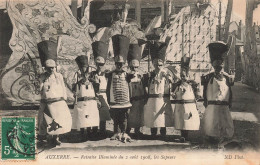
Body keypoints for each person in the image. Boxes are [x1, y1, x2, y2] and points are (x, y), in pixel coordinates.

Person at [37, 40, 72, 146]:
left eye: (53, 67)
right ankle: (48, 138)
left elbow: (63, 87)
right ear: (45, 68)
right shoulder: (43, 77)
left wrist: (64, 99)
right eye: (49, 68)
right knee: (48, 121)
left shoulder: (59, 76)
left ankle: (56, 138)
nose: (51, 70)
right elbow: (40, 90)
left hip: (58, 102)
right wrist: (40, 81)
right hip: (47, 102)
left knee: (58, 121)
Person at [201, 41, 234, 146]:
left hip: (223, 104)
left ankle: (224, 137)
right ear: (213, 66)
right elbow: (205, 90)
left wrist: (230, 102)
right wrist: (205, 102)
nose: (218, 69)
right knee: (212, 122)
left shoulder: (227, 78)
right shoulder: (208, 77)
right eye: (216, 67)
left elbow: (230, 91)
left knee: (224, 122)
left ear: (223, 66)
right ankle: (212, 137)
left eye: (220, 67)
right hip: (212, 104)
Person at [143, 41, 174, 137]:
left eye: (160, 65)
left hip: (162, 98)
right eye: (156, 64)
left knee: (162, 116)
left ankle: (163, 131)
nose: (158, 66)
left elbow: (172, 82)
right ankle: (153, 132)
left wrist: (168, 77)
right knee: (153, 115)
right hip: (152, 98)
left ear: (163, 64)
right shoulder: (150, 74)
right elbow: (145, 84)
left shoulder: (166, 73)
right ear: (153, 64)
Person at [106, 34, 132, 142]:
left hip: (125, 101)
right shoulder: (111, 74)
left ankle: (124, 132)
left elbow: (129, 87)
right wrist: (108, 99)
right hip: (114, 100)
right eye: (117, 64)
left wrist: (130, 98)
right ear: (115, 64)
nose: (119, 66)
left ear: (123, 64)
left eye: (121, 64)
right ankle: (115, 132)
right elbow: (108, 88)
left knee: (124, 118)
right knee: (115, 118)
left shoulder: (127, 74)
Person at [171, 57, 200, 143]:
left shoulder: (192, 84)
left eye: (185, 76)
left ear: (188, 75)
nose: (183, 78)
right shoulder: (177, 84)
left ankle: (187, 136)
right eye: (182, 76)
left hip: (189, 105)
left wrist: (197, 97)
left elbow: (197, 94)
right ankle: (182, 135)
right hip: (180, 105)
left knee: (188, 119)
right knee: (181, 120)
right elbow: (174, 94)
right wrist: (174, 95)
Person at [72, 55, 100, 140]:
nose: (85, 75)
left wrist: (97, 100)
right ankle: (83, 133)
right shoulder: (78, 82)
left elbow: (97, 91)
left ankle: (92, 133)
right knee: (82, 117)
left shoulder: (93, 81)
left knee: (92, 117)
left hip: (91, 102)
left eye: (87, 73)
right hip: (82, 102)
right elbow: (75, 91)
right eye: (82, 71)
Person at [90, 41, 111, 138]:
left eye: (101, 64)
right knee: (94, 112)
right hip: (95, 95)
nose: (100, 66)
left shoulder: (107, 74)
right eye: (98, 64)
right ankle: (94, 130)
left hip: (104, 95)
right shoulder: (92, 74)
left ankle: (103, 130)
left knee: (103, 113)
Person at [125, 43, 146, 138]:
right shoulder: (126, 76)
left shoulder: (141, 76)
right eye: (133, 67)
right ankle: (128, 130)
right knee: (130, 115)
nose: (134, 69)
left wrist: (145, 97)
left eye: (136, 67)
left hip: (140, 99)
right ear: (130, 66)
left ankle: (137, 131)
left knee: (139, 115)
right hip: (130, 99)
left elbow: (144, 87)